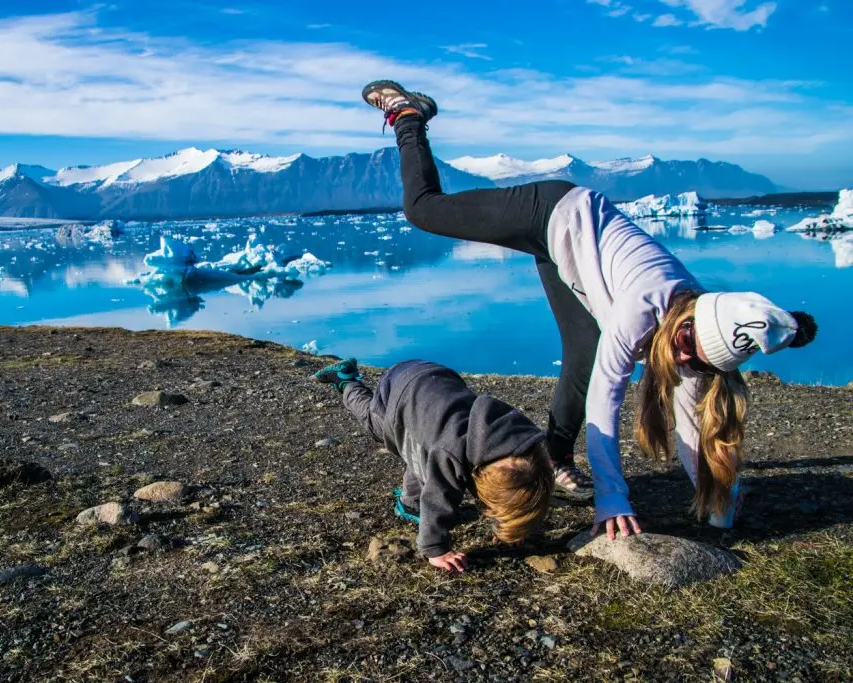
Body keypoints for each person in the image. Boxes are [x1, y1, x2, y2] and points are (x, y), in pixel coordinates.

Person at [360, 80, 818, 540]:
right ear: (690, 319)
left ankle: (554, 457)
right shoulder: (645, 305)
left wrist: (722, 505)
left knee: (582, 351)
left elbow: (699, 426)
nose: (682, 360)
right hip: (551, 211)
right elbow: (606, 401)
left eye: (694, 360)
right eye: (684, 345)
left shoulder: (699, 338)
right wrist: (612, 496)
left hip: (573, 255)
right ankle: (408, 115)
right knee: (424, 210)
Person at [314, 358, 553, 572]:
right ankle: (346, 380)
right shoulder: (450, 453)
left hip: (434, 377)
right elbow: (438, 497)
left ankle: (409, 502)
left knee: (421, 447)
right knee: (374, 422)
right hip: (396, 391)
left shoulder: (516, 439)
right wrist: (435, 549)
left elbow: (514, 482)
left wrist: (510, 523)